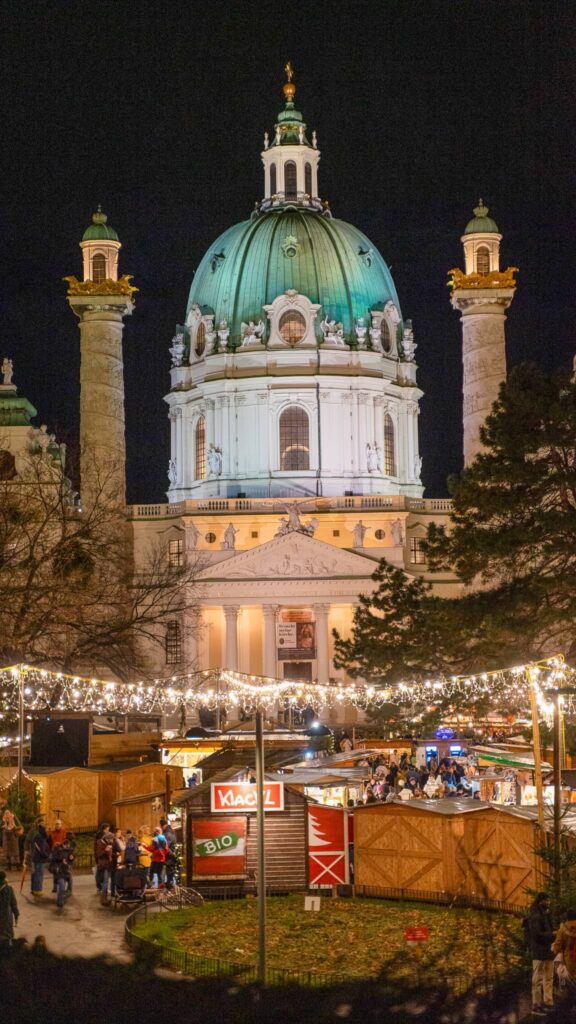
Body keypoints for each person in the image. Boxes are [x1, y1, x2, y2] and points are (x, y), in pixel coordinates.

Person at [527, 892, 556, 1014]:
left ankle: (548, 1002)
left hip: (548, 951)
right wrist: (552, 934)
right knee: (537, 979)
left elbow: (549, 928)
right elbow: (537, 935)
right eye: (546, 900)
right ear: (541, 901)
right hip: (539, 952)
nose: (548, 902)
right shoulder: (535, 916)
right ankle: (536, 1005)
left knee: (548, 978)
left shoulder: (545, 914)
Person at [552, 906, 576, 994]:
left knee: (568, 982)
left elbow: (557, 946)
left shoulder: (563, 930)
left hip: (569, 960)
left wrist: (555, 949)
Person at [94, 827, 114, 904]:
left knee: (105, 881)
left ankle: (104, 897)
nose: (111, 841)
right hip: (103, 865)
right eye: (110, 839)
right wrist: (106, 850)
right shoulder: (100, 843)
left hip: (108, 864)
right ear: (107, 839)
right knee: (105, 881)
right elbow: (98, 854)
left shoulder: (107, 843)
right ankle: (103, 899)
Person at [0, 870, 19, 952]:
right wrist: (16, 915)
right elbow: (14, 903)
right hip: (6, 918)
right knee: (7, 937)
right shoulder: (8, 889)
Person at [30, 822, 51, 896]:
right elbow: (41, 850)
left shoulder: (37, 836)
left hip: (35, 859)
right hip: (40, 860)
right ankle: (38, 890)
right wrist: (47, 856)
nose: (47, 831)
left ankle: (33, 889)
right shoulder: (41, 838)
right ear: (43, 829)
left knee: (35, 875)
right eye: (46, 829)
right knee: (39, 875)